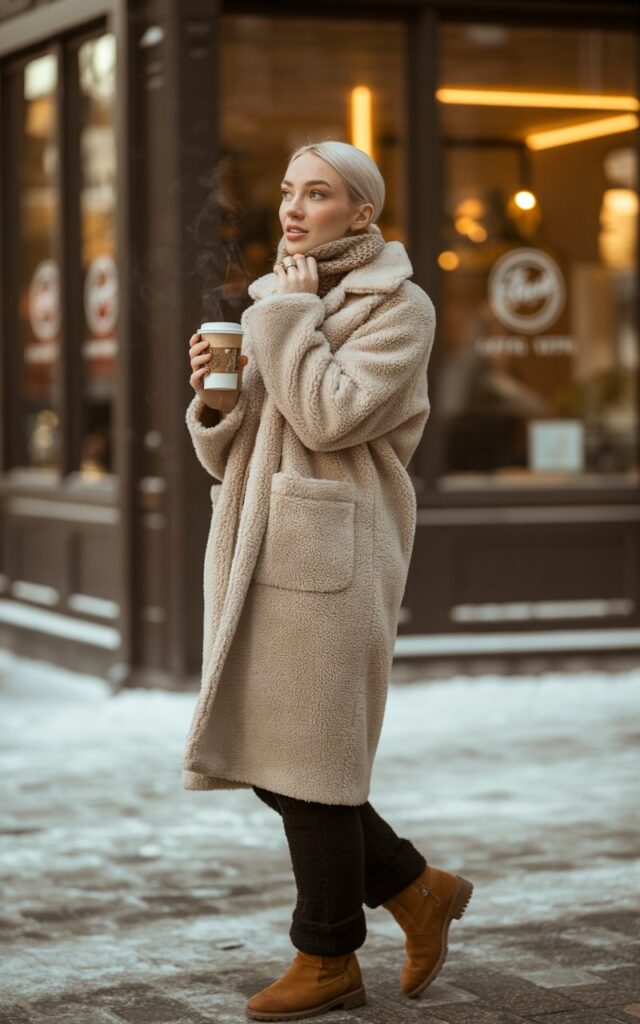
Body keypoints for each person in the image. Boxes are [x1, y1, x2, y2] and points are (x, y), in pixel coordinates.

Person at [186, 140, 473, 1020]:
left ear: (361, 212)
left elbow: (328, 415)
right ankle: (416, 891)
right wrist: (216, 406)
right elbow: (244, 444)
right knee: (277, 759)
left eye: (317, 193)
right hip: (260, 546)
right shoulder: (281, 296)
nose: (292, 207)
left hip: (334, 557)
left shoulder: (400, 307)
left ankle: (328, 957)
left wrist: (284, 318)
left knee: (312, 765)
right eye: (287, 191)